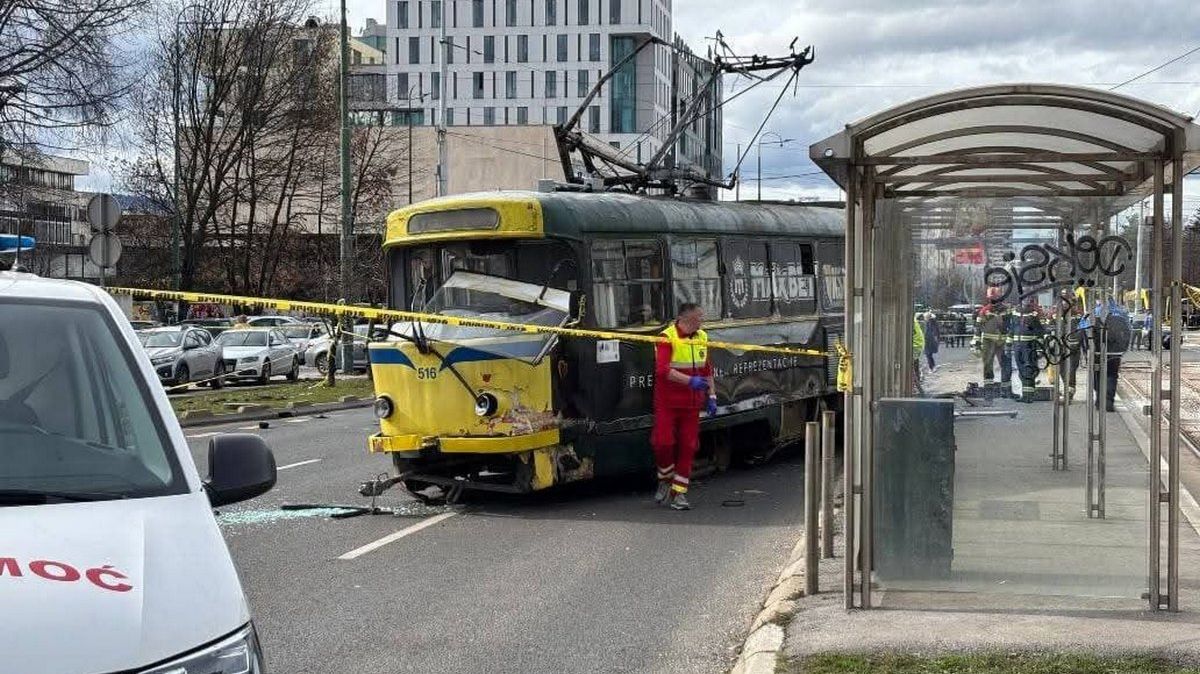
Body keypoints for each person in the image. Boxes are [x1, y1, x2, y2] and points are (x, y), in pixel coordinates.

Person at [652, 303, 716, 511]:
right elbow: (663, 370)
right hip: (668, 402)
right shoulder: (667, 337)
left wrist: (712, 395)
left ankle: (679, 493)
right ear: (686, 318)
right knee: (663, 442)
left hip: (692, 403)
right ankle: (665, 477)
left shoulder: (702, 337)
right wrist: (690, 381)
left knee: (689, 446)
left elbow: (707, 369)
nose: (702, 321)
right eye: (699, 317)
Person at [1092, 298, 1131, 413]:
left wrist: (1089, 350)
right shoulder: (1121, 315)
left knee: (1098, 375)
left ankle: (1099, 401)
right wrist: (1123, 349)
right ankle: (1108, 402)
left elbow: (1088, 333)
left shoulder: (1096, 315)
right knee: (1111, 376)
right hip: (1115, 353)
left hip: (1098, 352)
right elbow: (1128, 332)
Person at [974, 287, 1013, 385]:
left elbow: (1012, 325)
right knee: (987, 362)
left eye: (995, 298)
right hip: (988, 341)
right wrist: (976, 342)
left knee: (1005, 363)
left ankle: (1006, 385)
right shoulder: (984, 311)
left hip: (1003, 341)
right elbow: (978, 327)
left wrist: (1010, 338)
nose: (993, 301)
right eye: (991, 298)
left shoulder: (1007, 310)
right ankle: (988, 384)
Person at [1012, 296, 1046, 398]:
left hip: (1029, 345)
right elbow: (1012, 328)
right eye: (1024, 299)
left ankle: (1028, 396)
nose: (1025, 301)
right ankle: (1025, 394)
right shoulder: (1015, 312)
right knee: (1021, 369)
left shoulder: (1034, 314)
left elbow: (1040, 331)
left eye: (1027, 299)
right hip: (1017, 345)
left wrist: (1039, 348)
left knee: (1028, 369)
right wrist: (1008, 343)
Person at [1054, 288, 1083, 399]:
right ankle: (1067, 388)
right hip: (1060, 346)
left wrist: (1077, 342)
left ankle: (1070, 391)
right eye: (1063, 299)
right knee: (1061, 369)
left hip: (1073, 347)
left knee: (1071, 369)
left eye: (1067, 299)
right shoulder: (1056, 313)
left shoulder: (1077, 314)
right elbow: (1050, 327)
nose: (1065, 302)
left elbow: (1082, 330)